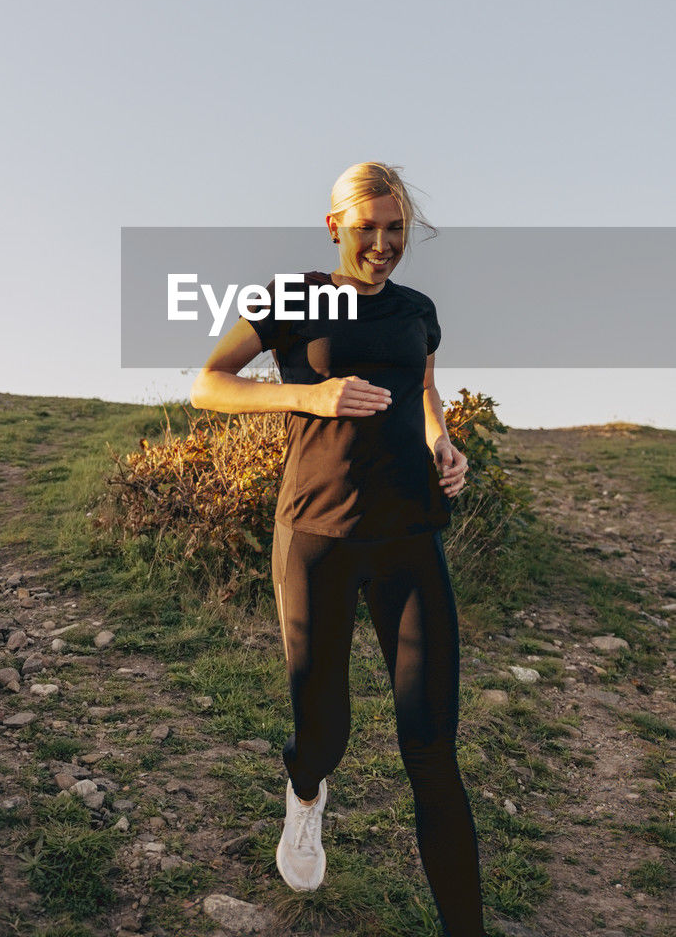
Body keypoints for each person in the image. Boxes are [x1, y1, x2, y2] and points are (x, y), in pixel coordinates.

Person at [190, 162, 487, 937]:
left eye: (396, 229)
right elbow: (210, 383)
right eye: (368, 230)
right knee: (325, 731)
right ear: (335, 228)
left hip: (412, 539)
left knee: (431, 750)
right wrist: (308, 395)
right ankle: (306, 793)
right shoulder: (295, 296)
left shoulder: (419, 310)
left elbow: (423, 394)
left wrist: (444, 446)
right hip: (317, 537)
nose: (384, 244)